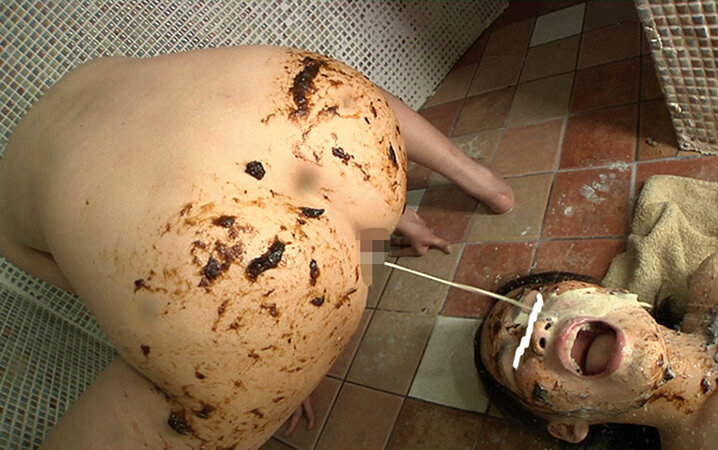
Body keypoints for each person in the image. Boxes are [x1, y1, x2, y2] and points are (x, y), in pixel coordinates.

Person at [0, 45, 513, 448]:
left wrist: (280, 365)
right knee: (336, 137)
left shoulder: (13, 228)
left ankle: (444, 185)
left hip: (301, 138)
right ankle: (457, 186)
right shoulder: (94, 81)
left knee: (340, 125)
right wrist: (275, 367)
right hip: (311, 130)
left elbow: (120, 287)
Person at [477, 243, 718, 450]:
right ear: (568, 427)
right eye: (514, 358)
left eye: (540, 303)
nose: (537, 330)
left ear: (613, 293)